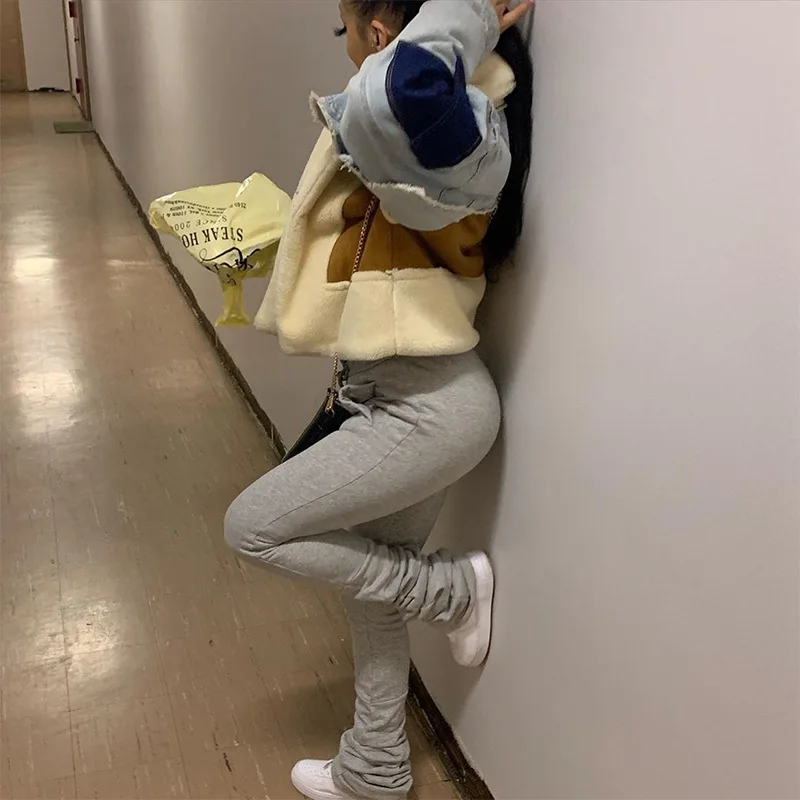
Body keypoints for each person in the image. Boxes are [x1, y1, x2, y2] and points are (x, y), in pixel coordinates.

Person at [224, 1, 534, 797]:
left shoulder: (458, 118)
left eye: (348, 30)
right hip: (397, 398)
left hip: (426, 407)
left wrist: (463, 12)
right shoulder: (424, 136)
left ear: (382, 31)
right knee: (371, 591)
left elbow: (407, 87)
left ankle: (449, 592)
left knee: (252, 528)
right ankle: (375, 767)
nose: (349, 51)